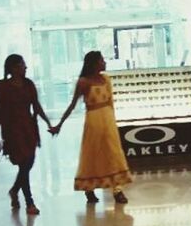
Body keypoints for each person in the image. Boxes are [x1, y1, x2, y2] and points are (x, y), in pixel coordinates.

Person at [50, 51, 132, 204]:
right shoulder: (83, 82)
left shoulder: (106, 79)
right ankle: (89, 188)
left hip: (108, 120)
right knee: (92, 154)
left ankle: (117, 189)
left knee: (113, 154)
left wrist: (113, 120)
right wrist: (59, 124)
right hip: (93, 121)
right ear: (94, 63)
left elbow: (110, 102)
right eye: (101, 60)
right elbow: (73, 104)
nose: (104, 62)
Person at [0, 55, 52, 215]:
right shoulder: (3, 87)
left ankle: (14, 190)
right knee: (23, 163)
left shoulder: (28, 84)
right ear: (13, 68)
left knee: (29, 161)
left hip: (28, 127)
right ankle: (29, 201)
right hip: (12, 129)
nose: (25, 68)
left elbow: (36, 106)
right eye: (22, 65)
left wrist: (48, 123)